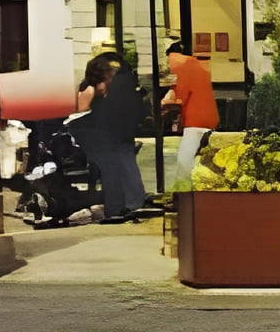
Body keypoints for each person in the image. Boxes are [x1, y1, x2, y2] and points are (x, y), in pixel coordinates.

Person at [74, 54, 149, 222]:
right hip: (112, 134)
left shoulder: (110, 88)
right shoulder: (99, 88)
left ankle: (122, 206)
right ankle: (129, 204)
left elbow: (83, 111)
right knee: (122, 168)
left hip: (110, 135)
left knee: (116, 170)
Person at [160, 40, 216, 185]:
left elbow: (181, 96)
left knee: (185, 158)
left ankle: (185, 191)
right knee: (198, 157)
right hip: (206, 116)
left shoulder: (183, 67)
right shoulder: (198, 67)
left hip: (195, 119)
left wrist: (165, 102)